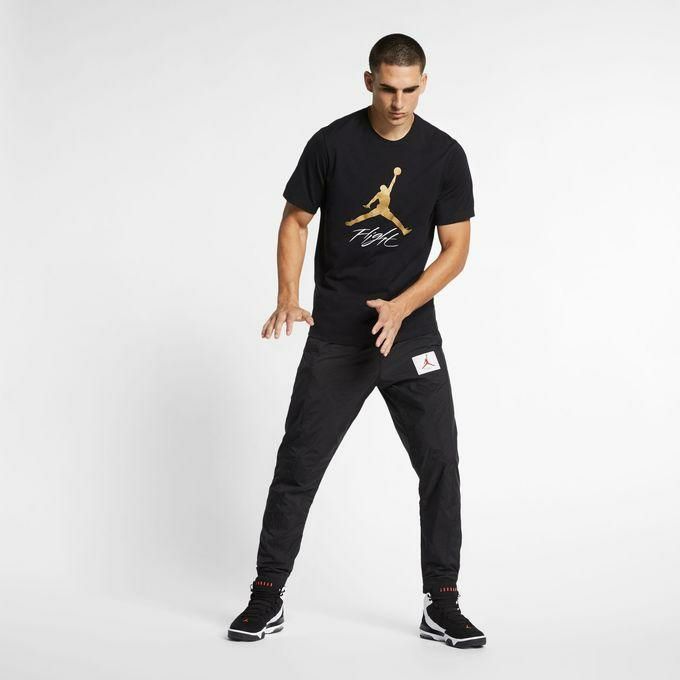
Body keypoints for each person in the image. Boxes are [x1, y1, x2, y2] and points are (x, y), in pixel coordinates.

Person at [227, 33, 486, 649]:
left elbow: (456, 249)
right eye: (388, 88)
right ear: (369, 81)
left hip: (411, 334)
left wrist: (402, 306)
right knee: (298, 465)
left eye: (410, 90)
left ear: (424, 84)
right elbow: (295, 220)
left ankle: (442, 603)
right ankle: (267, 594)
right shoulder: (332, 144)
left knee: (440, 465)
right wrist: (288, 294)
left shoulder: (445, 155)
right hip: (340, 339)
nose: (399, 102)